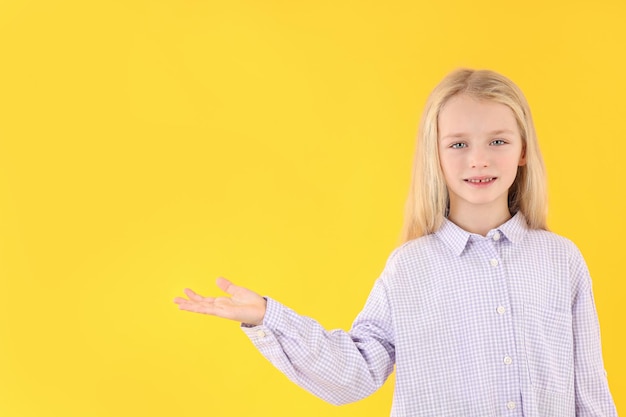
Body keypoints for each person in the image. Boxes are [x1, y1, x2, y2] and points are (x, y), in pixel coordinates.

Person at [174, 69, 618, 416]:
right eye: (458, 144)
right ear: (436, 155)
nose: (478, 159)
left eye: (498, 141)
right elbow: (355, 372)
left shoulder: (561, 261)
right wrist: (268, 317)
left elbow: (590, 396)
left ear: (523, 150)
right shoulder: (409, 269)